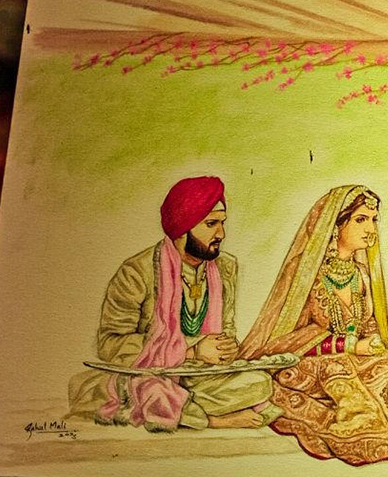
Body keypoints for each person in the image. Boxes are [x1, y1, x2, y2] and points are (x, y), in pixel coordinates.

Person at [67, 175, 281, 432]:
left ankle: (182, 409)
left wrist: (225, 348)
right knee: (151, 391)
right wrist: (190, 351)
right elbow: (110, 345)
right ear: (183, 227)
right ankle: (212, 420)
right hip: (148, 374)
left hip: (199, 375)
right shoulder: (137, 271)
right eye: (211, 224)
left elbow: (225, 330)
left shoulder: (225, 267)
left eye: (222, 223)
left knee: (259, 383)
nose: (221, 234)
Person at [240, 184, 388, 465]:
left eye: (373, 220)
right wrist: (348, 345)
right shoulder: (305, 272)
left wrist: (371, 344)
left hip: (357, 358)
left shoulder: (361, 274)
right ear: (335, 225)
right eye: (361, 219)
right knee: (345, 382)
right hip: (311, 363)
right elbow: (287, 338)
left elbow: (367, 325)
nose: (371, 228)